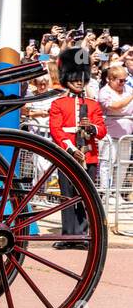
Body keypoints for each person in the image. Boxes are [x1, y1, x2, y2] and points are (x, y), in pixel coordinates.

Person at [49, 47, 106, 247]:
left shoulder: (92, 104)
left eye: (81, 77)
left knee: (85, 197)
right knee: (67, 196)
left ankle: (82, 235)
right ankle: (68, 236)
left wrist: (91, 128)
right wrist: (71, 150)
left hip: (89, 155)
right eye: (74, 77)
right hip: (68, 155)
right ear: (66, 78)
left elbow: (102, 130)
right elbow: (56, 130)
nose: (78, 81)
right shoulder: (58, 103)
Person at [97, 62, 133, 198]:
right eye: (120, 80)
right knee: (107, 163)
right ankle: (106, 193)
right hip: (109, 135)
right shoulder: (104, 92)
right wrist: (131, 97)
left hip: (126, 134)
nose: (123, 83)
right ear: (110, 79)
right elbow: (115, 106)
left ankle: (116, 193)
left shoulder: (128, 90)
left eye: (125, 80)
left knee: (123, 165)